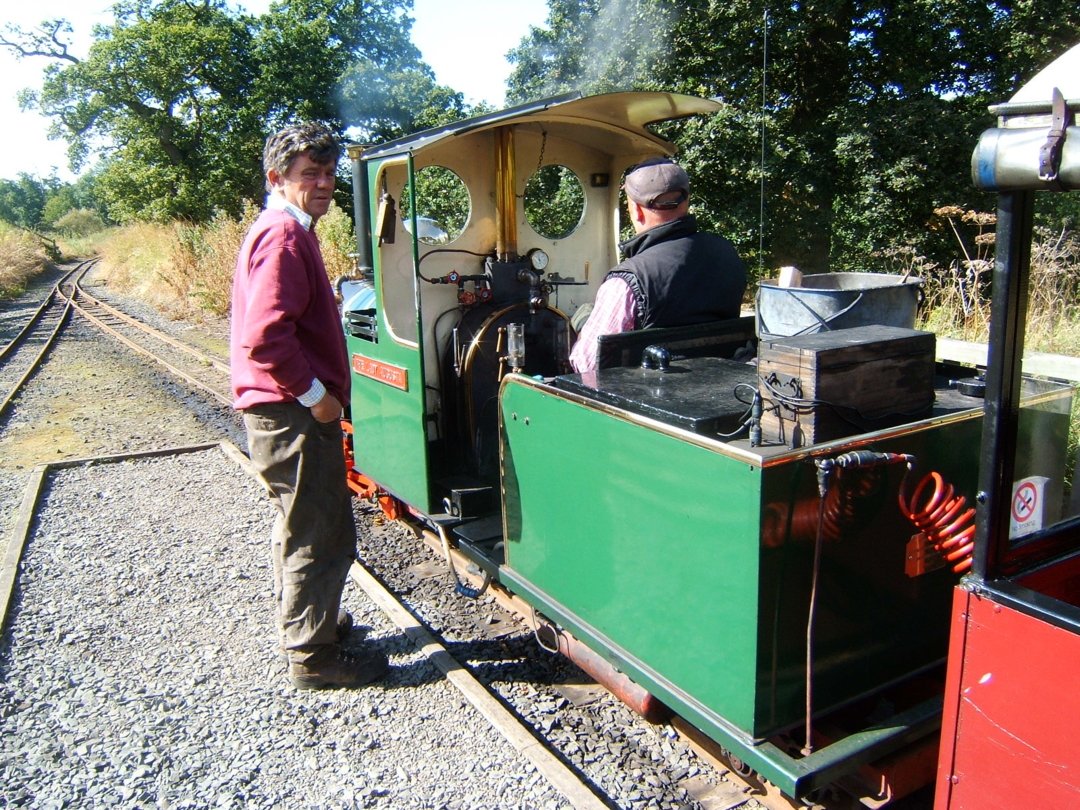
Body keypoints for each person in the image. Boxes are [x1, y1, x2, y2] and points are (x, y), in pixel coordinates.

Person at [230, 122, 388, 689]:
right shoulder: (284, 236)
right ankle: (313, 657)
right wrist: (319, 399)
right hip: (290, 414)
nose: (322, 184)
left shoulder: (282, 228)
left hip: (278, 412)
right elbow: (266, 337)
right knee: (320, 533)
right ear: (277, 178)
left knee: (299, 526)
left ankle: (312, 623)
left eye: (328, 173)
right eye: (309, 175)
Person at [569, 157, 747, 373]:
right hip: (718, 389)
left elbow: (587, 365)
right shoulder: (727, 254)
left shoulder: (625, 282)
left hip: (646, 399)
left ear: (635, 209)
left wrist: (586, 322)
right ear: (686, 201)